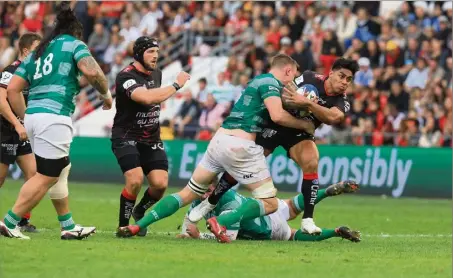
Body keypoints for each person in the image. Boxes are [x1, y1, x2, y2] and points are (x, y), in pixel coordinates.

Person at [116, 54, 316, 241]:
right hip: (241, 145)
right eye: (294, 76)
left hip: (219, 140)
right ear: (288, 70)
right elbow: (278, 116)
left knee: (187, 193)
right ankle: (221, 221)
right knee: (271, 203)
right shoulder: (271, 83)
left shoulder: (257, 81)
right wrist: (305, 125)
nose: (293, 82)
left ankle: (137, 226)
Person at [189, 58, 359, 237]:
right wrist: (294, 101)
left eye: (348, 80)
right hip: (278, 123)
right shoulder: (310, 77)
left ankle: (308, 219)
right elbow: (285, 93)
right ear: (331, 72)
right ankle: (212, 200)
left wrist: (308, 103)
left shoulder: (342, 101)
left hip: (300, 130)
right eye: (341, 76)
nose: (344, 82)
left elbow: (333, 118)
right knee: (246, 161)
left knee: (311, 161)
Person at [0, 3, 112, 240]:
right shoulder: (74, 44)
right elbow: (93, 72)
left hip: (34, 116)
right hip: (54, 115)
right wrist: (106, 95)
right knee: (47, 175)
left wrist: (26, 116)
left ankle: (68, 226)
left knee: (60, 168)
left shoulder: (39, 51)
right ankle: (10, 221)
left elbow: (13, 89)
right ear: (76, 32)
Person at [111, 36, 190, 237]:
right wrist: (176, 86)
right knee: (135, 179)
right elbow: (145, 97)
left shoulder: (157, 73)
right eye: (150, 52)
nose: (155, 56)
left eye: (157, 51)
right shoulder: (125, 76)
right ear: (138, 54)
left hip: (151, 138)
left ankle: (139, 211)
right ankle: (123, 226)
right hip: (126, 136)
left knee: (160, 184)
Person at [179, 180, 360, 242]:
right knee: (292, 205)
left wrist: (200, 236)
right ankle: (326, 192)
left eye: (209, 190)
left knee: (293, 235)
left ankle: (335, 232)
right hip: (264, 205)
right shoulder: (203, 199)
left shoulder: (229, 204)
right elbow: (189, 218)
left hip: (268, 226)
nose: (205, 195)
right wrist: (185, 231)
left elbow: (229, 237)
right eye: (203, 191)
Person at [0, 33, 42, 233]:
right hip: (5, 130)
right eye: (37, 50)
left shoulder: (35, 74)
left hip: (22, 131)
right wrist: (18, 125)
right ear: (25, 51)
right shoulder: (11, 71)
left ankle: (21, 219)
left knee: (33, 174)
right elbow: (1, 100)